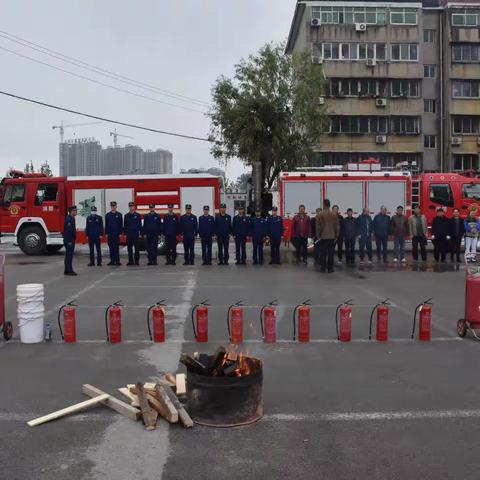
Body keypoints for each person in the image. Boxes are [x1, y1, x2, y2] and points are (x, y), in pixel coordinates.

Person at [316, 199, 339, 273]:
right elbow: (337, 226)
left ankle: (323, 268)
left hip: (323, 236)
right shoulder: (334, 214)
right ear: (329, 205)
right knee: (331, 253)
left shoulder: (320, 214)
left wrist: (318, 235)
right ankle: (330, 268)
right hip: (332, 237)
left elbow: (318, 226)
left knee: (323, 253)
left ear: (324, 204)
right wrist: (336, 235)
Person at [105, 201, 123, 266]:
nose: (113, 207)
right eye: (112, 206)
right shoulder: (107, 215)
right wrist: (106, 233)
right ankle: (112, 261)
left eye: (114, 206)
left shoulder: (119, 215)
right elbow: (106, 225)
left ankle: (117, 261)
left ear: (116, 206)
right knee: (111, 248)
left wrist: (120, 233)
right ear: (111, 207)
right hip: (110, 234)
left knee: (116, 248)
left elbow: (121, 224)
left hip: (116, 234)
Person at [63, 205, 78, 276]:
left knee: (69, 255)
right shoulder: (69, 219)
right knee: (69, 256)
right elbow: (68, 231)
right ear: (71, 211)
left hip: (70, 240)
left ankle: (67, 270)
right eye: (75, 210)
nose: (76, 212)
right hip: (69, 240)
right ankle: (69, 270)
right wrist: (69, 241)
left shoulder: (72, 218)